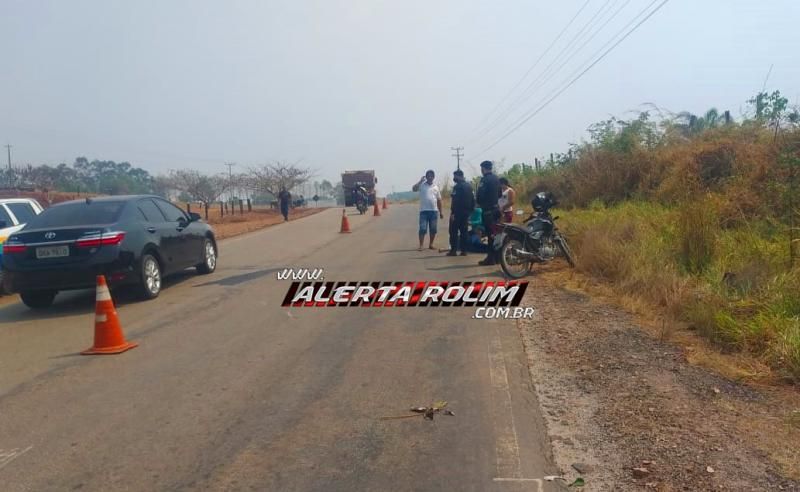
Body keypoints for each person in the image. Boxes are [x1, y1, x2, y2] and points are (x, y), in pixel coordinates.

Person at [475, 160, 501, 265]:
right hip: (496, 210)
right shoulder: (496, 179)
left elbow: (480, 196)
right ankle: (498, 257)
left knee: (490, 235)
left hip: (488, 211)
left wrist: (481, 203)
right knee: (496, 234)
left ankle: (490, 258)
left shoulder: (484, 180)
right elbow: (499, 194)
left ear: (483, 169)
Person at [412, 169, 443, 251]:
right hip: (424, 211)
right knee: (422, 229)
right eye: (428, 176)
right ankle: (421, 245)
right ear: (426, 177)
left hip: (434, 211)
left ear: (433, 177)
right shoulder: (422, 185)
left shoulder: (436, 187)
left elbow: (439, 200)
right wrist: (420, 181)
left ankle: (431, 244)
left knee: (433, 229)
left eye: (431, 176)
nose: (429, 177)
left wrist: (441, 212)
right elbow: (414, 189)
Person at [447, 169, 475, 256]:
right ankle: (464, 250)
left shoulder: (457, 187)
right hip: (466, 213)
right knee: (464, 232)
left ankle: (453, 250)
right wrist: (471, 211)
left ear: (459, 176)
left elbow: (455, 201)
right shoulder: (469, 186)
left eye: (454, 176)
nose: (454, 178)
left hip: (457, 213)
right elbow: (473, 200)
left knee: (453, 231)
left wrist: (453, 213)